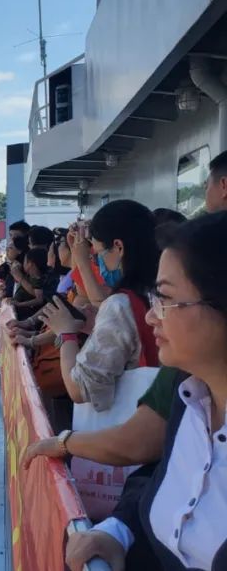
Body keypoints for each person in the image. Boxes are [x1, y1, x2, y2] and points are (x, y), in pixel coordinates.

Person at [63, 211, 227, 571]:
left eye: (166, 300)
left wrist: (65, 334)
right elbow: (158, 477)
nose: (153, 317)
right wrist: (117, 530)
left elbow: (84, 391)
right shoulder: (189, 399)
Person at [40, 200, 160, 412]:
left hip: (132, 425)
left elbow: (79, 389)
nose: (97, 263)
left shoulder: (120, 305)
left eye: (97, 254)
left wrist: (66, 335)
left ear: (118, 247)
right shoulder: (161, 292)